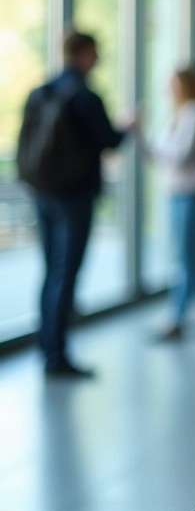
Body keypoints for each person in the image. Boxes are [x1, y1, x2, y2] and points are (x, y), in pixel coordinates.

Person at [19, 30, 134, 378]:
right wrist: (127, 126)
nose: (97, 60)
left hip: (42, 193)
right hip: (75, 196)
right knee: (65, 273)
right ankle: (57, 355)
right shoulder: (85, 97)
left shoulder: (39, 93)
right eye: (95, 53)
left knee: (51, 272)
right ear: (84, 53)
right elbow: (109, 141)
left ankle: (47, 347)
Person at [142, 67, 195, 340]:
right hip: (175, 192)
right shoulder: (175, 117)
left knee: (185, 255)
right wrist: (138, 134)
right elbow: (159, 154)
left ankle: (177, 317)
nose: (168, 89)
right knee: (188, 255)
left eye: (173, 83)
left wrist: (162, 152)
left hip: (193, 192)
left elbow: (182, 155)